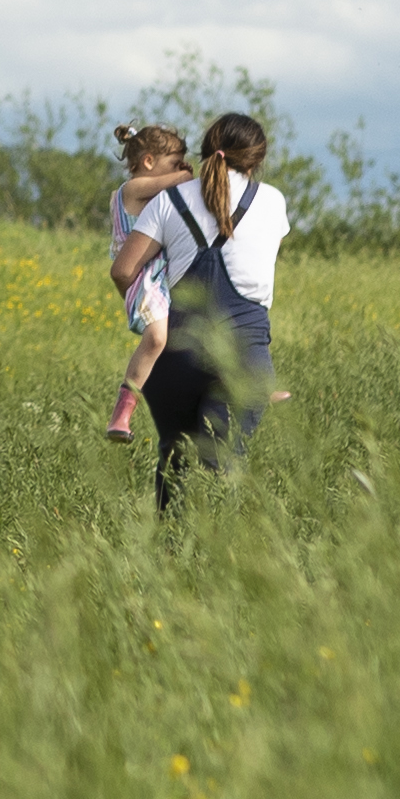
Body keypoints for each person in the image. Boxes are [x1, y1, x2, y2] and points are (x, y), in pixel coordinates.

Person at [132, 108, 291, 511]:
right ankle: (221, 564)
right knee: (224, 468)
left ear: (206, 151)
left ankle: (168, 559)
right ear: (256, 159)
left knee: (174, 463)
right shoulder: (272, 201)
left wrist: (145, 314)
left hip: (177, 355)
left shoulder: (167, 201)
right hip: (244, 356)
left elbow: (123, 269)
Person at [102, 121, 194, 440]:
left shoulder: (152, 191)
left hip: (159, 272)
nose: (180, 170)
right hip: (142, 277)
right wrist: (186, 173)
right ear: (149, 162)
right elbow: (179, 182)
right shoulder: (130, 189)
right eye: (173, 162)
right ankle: (122, 413)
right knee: (156, 338)